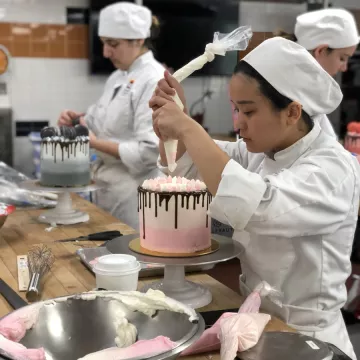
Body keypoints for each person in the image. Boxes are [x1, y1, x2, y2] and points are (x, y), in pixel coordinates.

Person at [149, 37, 360, 359]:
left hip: (309, 339)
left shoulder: (332, 168)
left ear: (292, 112)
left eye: (248, 111)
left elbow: (259, 206)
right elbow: (200, 169)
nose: (238, 123)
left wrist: (189, 129)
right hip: (257, 324)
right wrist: (177, 128)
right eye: (235, 109)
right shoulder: (264, 153)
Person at [58, 2, 165, 230]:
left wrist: (94, 142)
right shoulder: (118, 76)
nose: (106, 53)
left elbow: (149, 150)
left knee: (131, 257)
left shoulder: (154, 79)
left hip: (134, 194)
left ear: (138, 40)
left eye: (113, 44)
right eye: (104, 43)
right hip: (108, 188)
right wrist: (76, 120)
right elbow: (97, 120)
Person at [275, 8, 360, 138]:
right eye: (342, 58)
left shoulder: (306, 92)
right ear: (321, 51)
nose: (344, 68)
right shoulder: (294, 95)